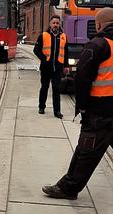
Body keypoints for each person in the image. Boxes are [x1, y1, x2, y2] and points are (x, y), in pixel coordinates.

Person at [42, 7, 113, 200]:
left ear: (98, 25)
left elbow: (81, 78)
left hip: (100, 111)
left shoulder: (97, 45)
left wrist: (82, 107)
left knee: (86, 152)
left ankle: (68, 188)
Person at [34, 15, 69, 119]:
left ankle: (57, 111)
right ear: (50, 24)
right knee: (44, 87)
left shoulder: (63, 37)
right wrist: (44, 59)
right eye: (53, 23)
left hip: (58, 68)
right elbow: (36, 50)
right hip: (46, 68)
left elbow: (66, 52)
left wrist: (66, 65)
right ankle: (41, 107)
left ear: (59, 24)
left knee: (56, 89)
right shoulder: (43, 35)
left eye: (57, 23)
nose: (55, 25)